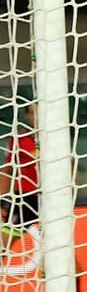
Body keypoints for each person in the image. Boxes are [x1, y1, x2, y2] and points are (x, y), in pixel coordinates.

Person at [0, 100, 38, 255]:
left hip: (54, 198)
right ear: (27, 116)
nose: (36, 116)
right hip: (26, 199)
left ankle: (75, 279)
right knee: (3, 244)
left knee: (62, 249)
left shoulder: (60, 138)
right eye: (32, 112)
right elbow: (8, 169)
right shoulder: (19, 138)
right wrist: (2, 199)